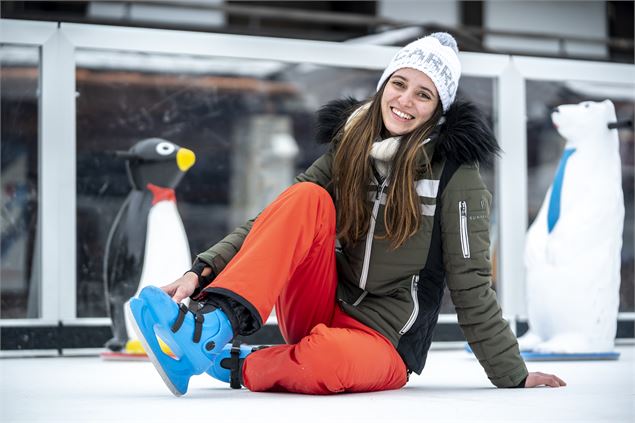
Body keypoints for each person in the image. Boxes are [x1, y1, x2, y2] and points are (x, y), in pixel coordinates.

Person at [128, 32, 566, 397]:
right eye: (399, 84)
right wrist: (200, 273)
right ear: (383, 86)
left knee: (325, 360)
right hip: (320, 305)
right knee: (305, 197)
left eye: (424, 93)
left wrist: (515, 374)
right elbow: (275, 223)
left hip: (384, 342)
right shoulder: (350, 148)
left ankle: (242, 364)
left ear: (439, 108)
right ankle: (211, 328)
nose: (405, 101)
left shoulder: (457, 176)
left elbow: (472, 283)